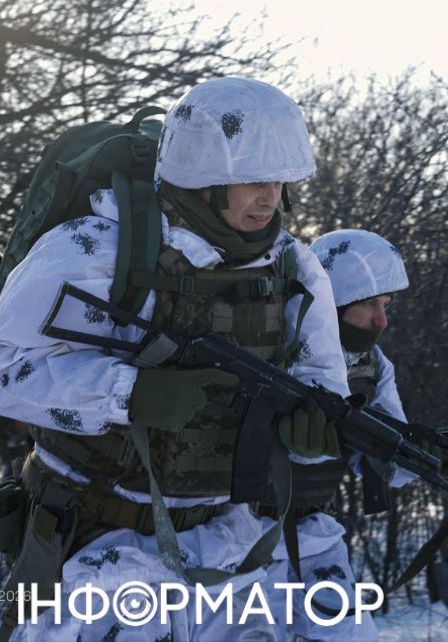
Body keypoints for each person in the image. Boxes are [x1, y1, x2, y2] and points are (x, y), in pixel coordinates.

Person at [0, 77, 347, 639]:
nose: (271, 199)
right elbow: (4, 368)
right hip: (89, 545)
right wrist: (126, 393)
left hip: (223, 553)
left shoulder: (293, 269)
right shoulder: (99, 246)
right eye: (253, 182)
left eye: (280, 183)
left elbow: (321, 381)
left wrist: (311, 434)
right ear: (204, 180)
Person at [263, 228, 419, 639]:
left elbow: (397, 460)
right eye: (369, 304)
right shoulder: (273, 347)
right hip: (238, 536)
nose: (382, 320)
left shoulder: (373, 365)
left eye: (386, 305)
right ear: (333, 302)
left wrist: (421, 459)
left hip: (314, 533)